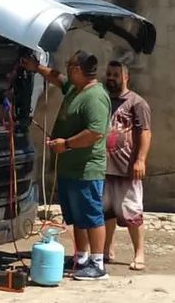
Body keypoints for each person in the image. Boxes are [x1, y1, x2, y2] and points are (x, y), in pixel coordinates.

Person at [22, 50, 111, 281]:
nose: (67, 69)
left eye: (70, 65)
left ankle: (98, 263)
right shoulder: (75, 88)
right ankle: (81, 258)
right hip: (68, 168)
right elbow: (57, 78)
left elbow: (95, 133)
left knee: (91, 215)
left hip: (85, 169)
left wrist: (67, 144)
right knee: (77, 216)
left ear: (78, 70)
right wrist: (35, 67)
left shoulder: (95, 97)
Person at [102, 60, 151, 271]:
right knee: (106, 211)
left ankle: (139, 253)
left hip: (126, 168)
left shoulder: (137, 103)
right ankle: (106, 250)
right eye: (109, 74)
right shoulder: (103, 100)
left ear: (125, 77)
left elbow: (146, 132)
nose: (111, 78)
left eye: (115, 74)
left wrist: (140, 160)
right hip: (104, 167)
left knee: (131, 212)